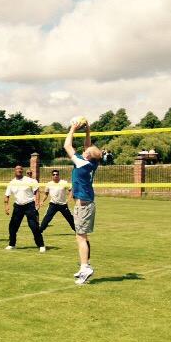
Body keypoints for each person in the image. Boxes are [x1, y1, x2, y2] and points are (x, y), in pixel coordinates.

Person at [64, 120, 102, 285]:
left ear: (87, 155)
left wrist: (73, 128)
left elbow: (67, 145)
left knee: (80, 238)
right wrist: (87, 130)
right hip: (86, 204)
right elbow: (89, 146)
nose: (86, 149)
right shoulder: (92, 162)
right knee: (81, 237)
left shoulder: (82, 162)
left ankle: (85, 267)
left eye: (87, 150)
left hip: (84, 206)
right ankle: (84, 266)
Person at [4, 165, 46, 252]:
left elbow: (36, 191)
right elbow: (7, 195)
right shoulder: (11, 182)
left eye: (20, 169)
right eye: (17, 169)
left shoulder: (30, 180)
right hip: (18, 206)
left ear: (22, 171)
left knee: (34, 226)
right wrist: (6, 206)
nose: (19, 170)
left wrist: (37, 202)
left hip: (29, 205)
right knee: (12, 226)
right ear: (14, 171)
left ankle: (41, 245)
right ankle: (12, 244)